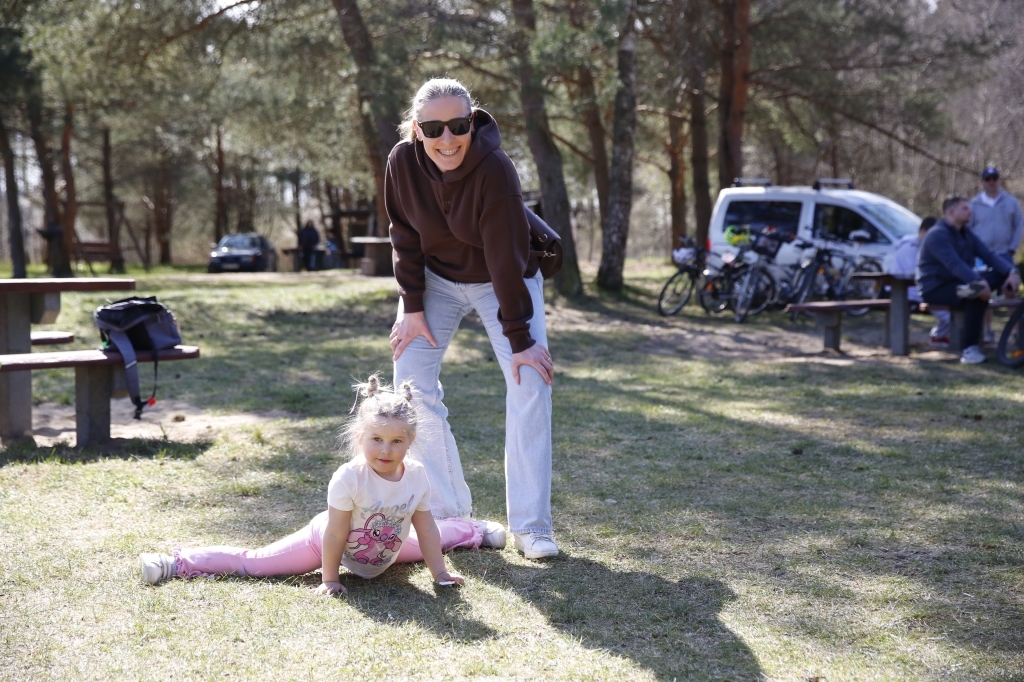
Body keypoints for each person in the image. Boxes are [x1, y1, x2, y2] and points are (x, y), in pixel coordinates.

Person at [385, 77, 558, 559]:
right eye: (433, 128)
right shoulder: (401, 161)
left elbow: (505, 256)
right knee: (410, 386)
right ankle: (452, 517)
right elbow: (404, 235)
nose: (448, 138)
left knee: (530, 381)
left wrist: (520, 339)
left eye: (458, 126)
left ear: (472, 123)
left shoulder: (495, 168)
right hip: (435, 280)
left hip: (501, 278)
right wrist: (412, 307)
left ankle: (531, 527)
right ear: (417, 129)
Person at [138, 376, 500, 590]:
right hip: (326, 541)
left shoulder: (416, 475)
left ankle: (475, 530)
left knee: (433, 539)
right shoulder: (349, 477)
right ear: (360, 437)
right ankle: (174, 563)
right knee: (255, 565)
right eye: (376, 439)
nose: (386, 450)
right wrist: (329, 579)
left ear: (410, 441)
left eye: (396, 441)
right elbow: (336, 533)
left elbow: (426, 528)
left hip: (385, 542)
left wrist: (440, 574)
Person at [917, 196, 1021, 364]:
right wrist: (979, 281)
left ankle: (1014, 334)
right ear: (952, 211)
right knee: (976, 293)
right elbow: (954, 264)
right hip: (937, 288)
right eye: (965, 208)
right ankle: (969, 350)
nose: (970, 212)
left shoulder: (966, 234)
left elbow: (988, 255)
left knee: (1000, 272)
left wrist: (1012, 272)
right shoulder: (937, 234)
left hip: (962, 283)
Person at [967, 166, 1023, 343]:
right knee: (984, 292)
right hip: (981, 257)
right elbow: (967, 230)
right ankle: (987, 331)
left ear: (999, 180)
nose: (991, 182)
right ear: (982, 182)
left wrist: (1012, 248)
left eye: (994, 179)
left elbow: (1019, 225)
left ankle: (1016, 331)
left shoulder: (1011, 202)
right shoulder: (973, 204)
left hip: (1004, 255)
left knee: (1010, 291)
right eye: (988, 179)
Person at [890, 216, 951, 347]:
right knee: (948, 312)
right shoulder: (909, 246)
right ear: (923, 231)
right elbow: (913, 273)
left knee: (954, 305)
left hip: (921, 288)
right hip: (906, 290)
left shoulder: (927, 246)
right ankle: (938, 336)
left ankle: (938, 336)